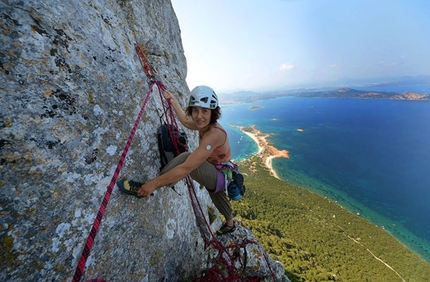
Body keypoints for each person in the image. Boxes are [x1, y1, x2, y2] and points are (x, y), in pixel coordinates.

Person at [118, 85, 236, 235]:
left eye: (205, 111)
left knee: (187, 159)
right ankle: (230, 223)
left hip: (219, 173)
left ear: (213, 112)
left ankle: (146, 187)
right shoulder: (205, 124)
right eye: (195, 110)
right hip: (221, 172)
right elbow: (187, 122)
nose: (199, 116)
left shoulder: (214, 134)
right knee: (215, 191)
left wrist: (153, 183)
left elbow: (187, 168)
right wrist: (173, 100)